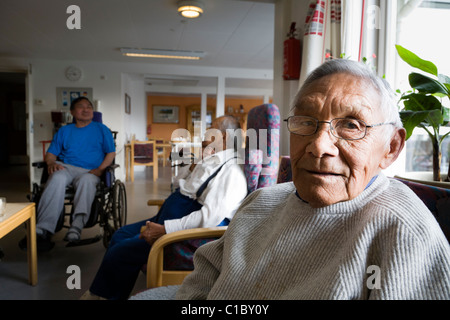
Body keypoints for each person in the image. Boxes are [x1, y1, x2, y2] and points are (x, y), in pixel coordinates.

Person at [134, 59, 450, 300]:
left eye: (351, 124)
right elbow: (201, 286)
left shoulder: (405, 235)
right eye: (306, 121)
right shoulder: (260, 202)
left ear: (391, 147)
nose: (319, 145)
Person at [82, 115, 248, 300]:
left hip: (183, 232)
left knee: (120, 253)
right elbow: (179, 184)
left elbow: (209, 217)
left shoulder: (231, 171)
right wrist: (194, 165)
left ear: (224, 137)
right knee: (119, 235)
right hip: (167, 217)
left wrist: (165, 230)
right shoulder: (212, 159)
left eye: (211, 129)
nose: (205, 134)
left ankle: (100, 296)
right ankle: (107, 293)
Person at [22, 97, 116, 251]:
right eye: (81, 106)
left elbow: (110, 153)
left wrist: (100, 169)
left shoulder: (102, 129)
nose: (86, 109)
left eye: (89, 107)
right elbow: (51, 154)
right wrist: (51, 163)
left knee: (86, 181)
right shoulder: (64, 131)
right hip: (66, 168)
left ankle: (76, 226)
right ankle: (44, 227)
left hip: (90, 170)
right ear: (72, 112)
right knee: (57, 177)